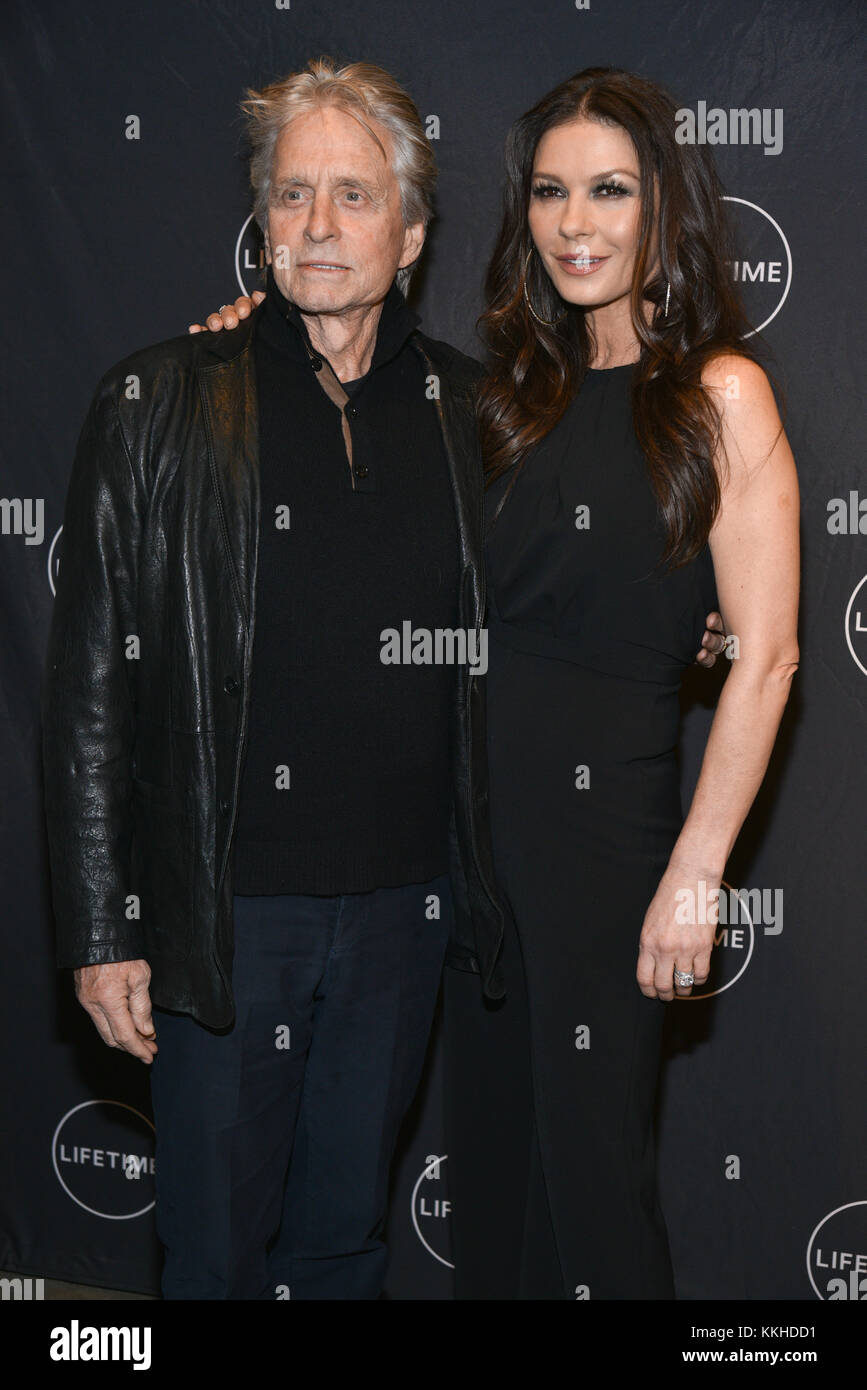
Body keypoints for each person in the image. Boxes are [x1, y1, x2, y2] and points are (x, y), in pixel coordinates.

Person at [205, 65, 798, 1300]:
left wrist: (696, 876)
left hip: (607, 852)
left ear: (662, 207)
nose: (575, 222)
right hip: (467, 857)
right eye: (548, 192)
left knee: (595, 1192)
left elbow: (768, 652)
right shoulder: (502, 403)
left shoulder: (721, 397)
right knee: (495, 1189)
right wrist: (241, 342)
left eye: (609, 190)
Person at [41, 57, 515, 1300]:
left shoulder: (481, 416)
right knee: (209, 1251)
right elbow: (90, 686)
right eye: (292, 194)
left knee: (345, 1238)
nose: (317, 227)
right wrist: (103, 928)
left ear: (410, 233)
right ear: (261, 221)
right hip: (225, 918)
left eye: (353, 196)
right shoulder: (162, 401)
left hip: (404, 916)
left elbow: (572, 612)